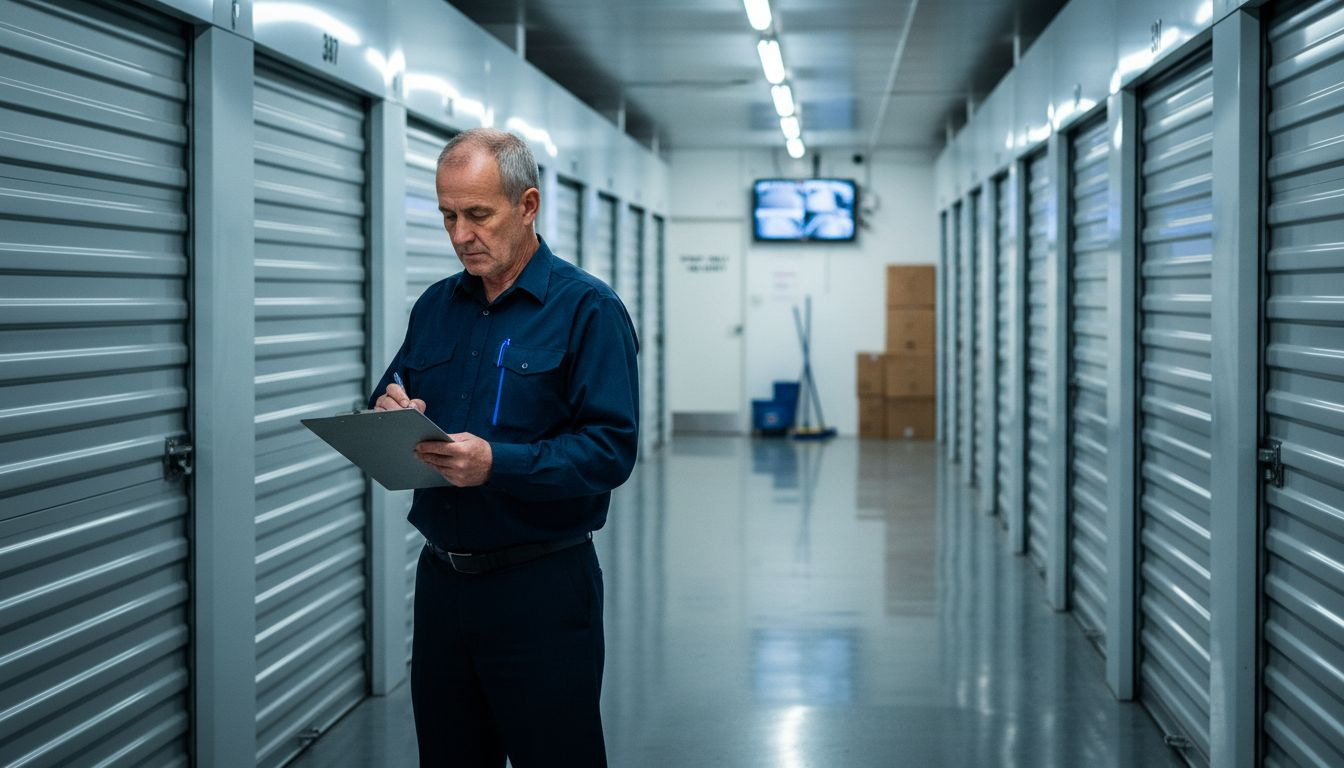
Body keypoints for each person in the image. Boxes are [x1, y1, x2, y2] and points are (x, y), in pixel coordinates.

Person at [368, 127, 639, 766]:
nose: (461, 234)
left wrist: (497, 463)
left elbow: (610, 449)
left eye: (478, 215)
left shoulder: (587, 309)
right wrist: (390, 407)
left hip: (542, 588)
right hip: (442, 585)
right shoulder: (436, 306)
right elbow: (395, 385)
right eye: (448, 215)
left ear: (528, 205)